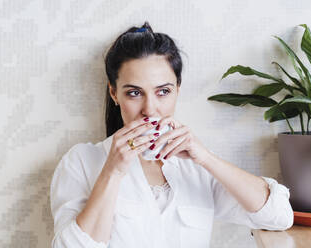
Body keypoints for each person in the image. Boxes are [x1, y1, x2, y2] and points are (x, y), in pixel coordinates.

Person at [50, 21, 294, 248]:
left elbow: (278, 216)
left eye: (163, 91)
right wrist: (113, 171)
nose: (149, 109)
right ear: (114, 93)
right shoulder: (81, 162)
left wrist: (206, 159)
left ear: (177, 89)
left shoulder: (196, 168)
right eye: (134, 93)